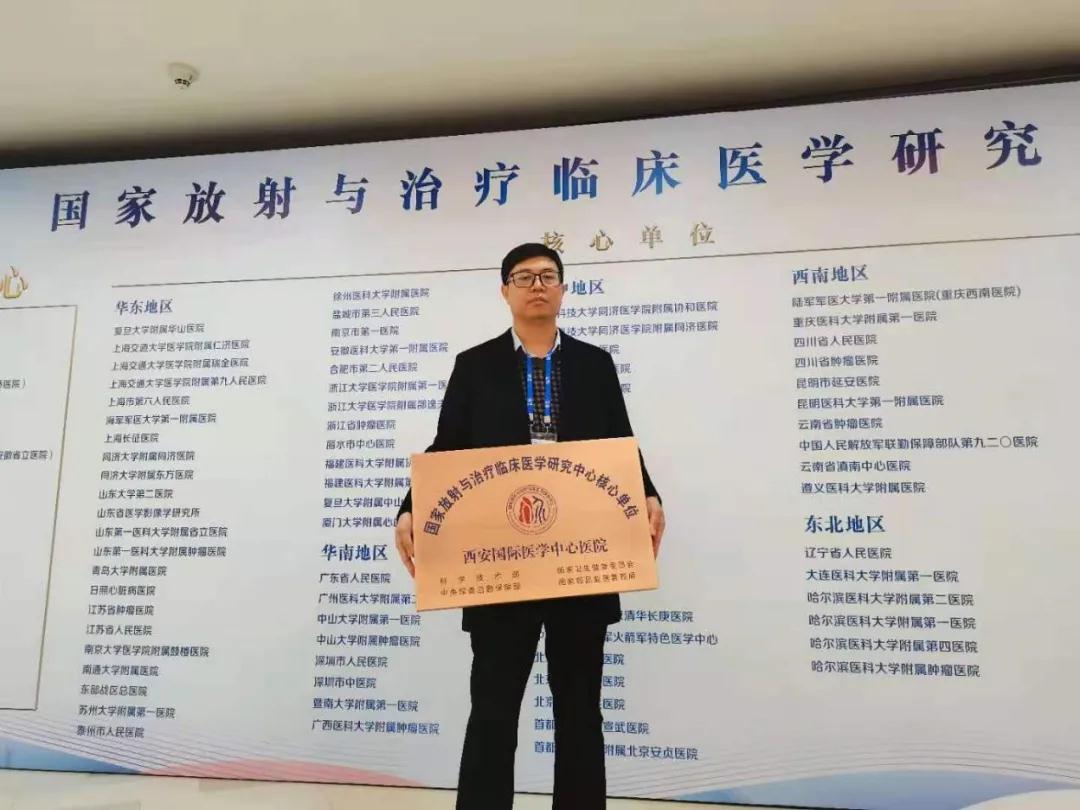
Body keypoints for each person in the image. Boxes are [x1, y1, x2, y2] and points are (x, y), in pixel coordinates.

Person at [395, 242, 665, 809]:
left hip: (581, 560)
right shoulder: (475, 365)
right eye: (523, 277)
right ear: (505, 291)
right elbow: (448, 447)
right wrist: (410, 507)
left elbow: (620, 444)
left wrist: (648, 495)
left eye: (547, 275)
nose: (537, 285)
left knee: (579, 710)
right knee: (493, 709)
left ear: (564, 290)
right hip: (502, 563)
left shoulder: (594, 364)